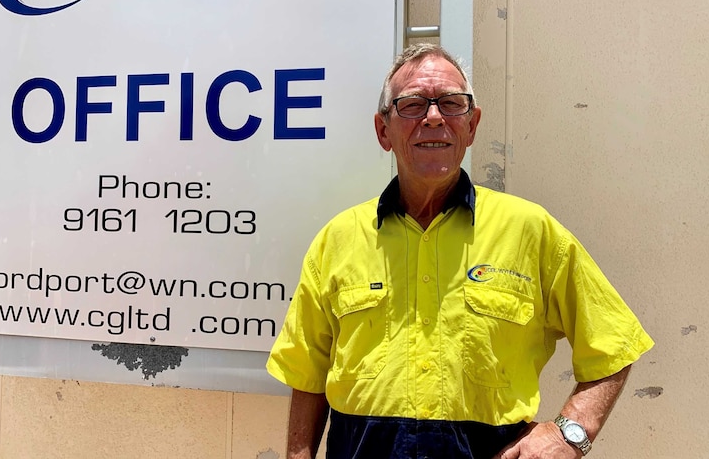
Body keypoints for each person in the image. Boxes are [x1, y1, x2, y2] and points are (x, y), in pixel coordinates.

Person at [266, 43, 654, 459]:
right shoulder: (338, 239)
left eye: (452, 104)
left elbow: (615, 345)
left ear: (472, 125)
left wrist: (570, 433)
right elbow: (308, 373)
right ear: (383, 131)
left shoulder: (530, 231)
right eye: (412, 105)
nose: (434, 118)